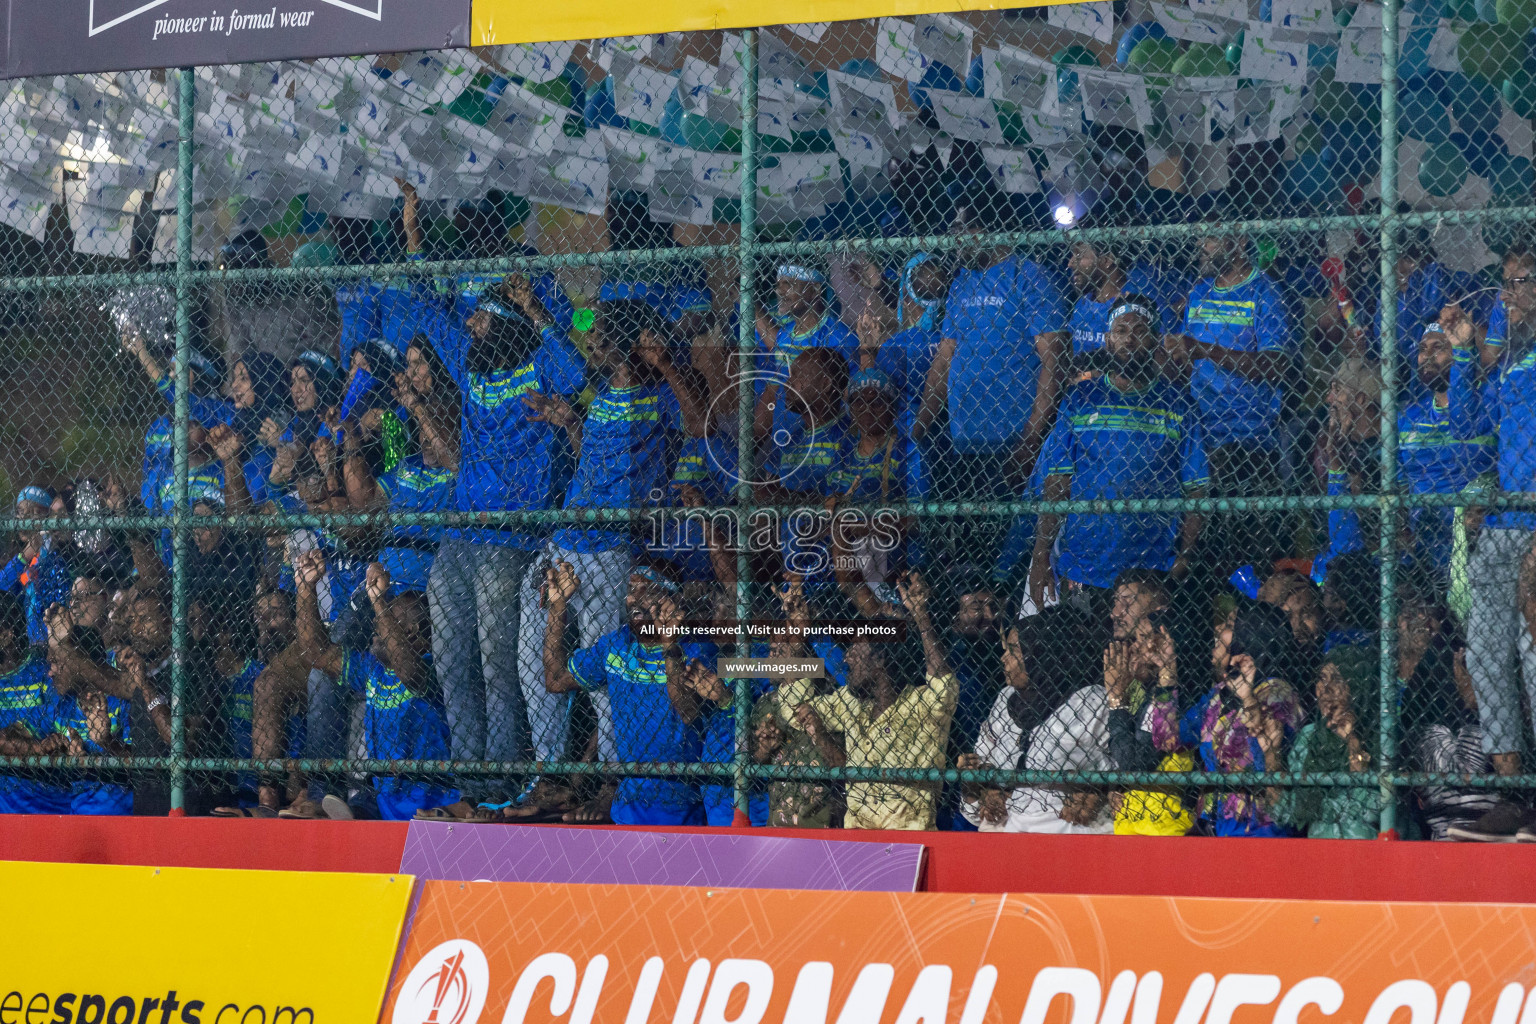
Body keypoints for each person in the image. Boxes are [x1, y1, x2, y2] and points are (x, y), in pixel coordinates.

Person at [514, 299, 709, 817]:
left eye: (600, 335)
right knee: (533, 659)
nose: (592, 342)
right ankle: (550, 774)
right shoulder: (598, 395)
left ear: (623, 344)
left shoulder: (659, 394)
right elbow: (592, 458)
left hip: (611, 548)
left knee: (606, 677)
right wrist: (570, 423)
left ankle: (612, 783)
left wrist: (666, 363)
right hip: (565, 538)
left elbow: (697, 427)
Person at [410, 242, 584, 818]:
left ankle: (502, 781)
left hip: (511, 542)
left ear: (505, 323)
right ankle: (469, 780)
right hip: (459, 540)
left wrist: (533, 309)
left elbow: (576, 371)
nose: (472, 323)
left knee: (496, 661)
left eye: (482, 315)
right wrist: (414, 232)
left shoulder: (537, 366)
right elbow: (428, 308)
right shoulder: (470, 366)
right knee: (451, 660)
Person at [1028, 297, 1208, 611]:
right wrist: (1041, 555)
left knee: (1143, 652)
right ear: (1108, 339)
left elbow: (1197, 488)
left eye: (1140, 330)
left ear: (1154, 340)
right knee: (1080, 647)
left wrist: (1187, 555)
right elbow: (1057, 481)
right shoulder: (1079, 399)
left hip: (1150, 571)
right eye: (1120, 330)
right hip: (1082, 569)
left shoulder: (1179, 404)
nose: (1129, 337)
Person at [1442, 244, 1536, 838]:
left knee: (1533, 657)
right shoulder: (1510, 359)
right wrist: (1461, 352)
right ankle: (1513, 792)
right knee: (1486, 654)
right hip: (1505, 526)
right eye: (1504, 284)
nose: (1507, 295)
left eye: (1519, 282)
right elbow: (1466, 426)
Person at [918, 192, 1068, 515]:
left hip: (1014, 442)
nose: (957, 243)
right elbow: (944, 359)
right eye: (954, 235)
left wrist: (1030, 441)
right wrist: (917, 430)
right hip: (964, 444)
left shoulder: (1029, 276)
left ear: (987, 230)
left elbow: (1053, 361)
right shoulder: (961, 283)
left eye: (963, 233)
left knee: (1008, 542)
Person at [1163, 222, 1296, 576]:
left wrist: (1205, 349)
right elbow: (1188, 362)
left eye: (1208, 238)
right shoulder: (1199, 293)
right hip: (1198, 437)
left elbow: (1275, 364)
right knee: (1200, 561)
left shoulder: (1265, 293)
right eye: (1199, 237)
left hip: (1246, 442)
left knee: (1244, 559)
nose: (1199, 246)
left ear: (1237, 241)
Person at [779, 571, 958, 831]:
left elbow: (945, 687)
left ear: (879, 659)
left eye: (855, 647)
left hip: (908, 837)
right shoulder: (850, 703)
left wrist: (920, 616)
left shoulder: (921, 705)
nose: (847, 657)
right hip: (858, 838)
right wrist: (798, 637)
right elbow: (794, 710)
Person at [540, 559, 714, 826]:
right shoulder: (616, 644)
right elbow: (554, 680)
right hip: (627, 805)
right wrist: (559, 606)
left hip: (682, 804)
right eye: (631, 591)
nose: (633, 599)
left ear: (673, 599)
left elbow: (688, 712)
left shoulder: (697, 649)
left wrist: (670, 644)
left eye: (646, 591)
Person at [291, 552, 457, 820]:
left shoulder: (431, 667)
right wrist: (306, 587)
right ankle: (353, 814)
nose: (376, 624)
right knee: (357, 807)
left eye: (389, 619)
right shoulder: (372, 669)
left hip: (432, 795)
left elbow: (409, 672)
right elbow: (316, 653)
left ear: (413, 633)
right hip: (385, 797)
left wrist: (380, 601)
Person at [1151, 601, 1305, 836]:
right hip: (1216, 831)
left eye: (1231, 623)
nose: (1219, 627)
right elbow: (1167, 739)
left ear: (1252, 633)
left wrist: (1248, 702)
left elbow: (1264, 765)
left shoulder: (1276, 694)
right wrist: (1167, 672)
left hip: (1258, 833)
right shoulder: (1219, 695)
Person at [958, 618, 1113, 833]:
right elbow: (974, 812)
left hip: (1070, 833)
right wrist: (979, 786)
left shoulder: (1090, 702)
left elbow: (1122, 764)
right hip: (1007, 834)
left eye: (1014, 651)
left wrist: (1098, 786)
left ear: (1040, 654)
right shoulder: (1006, 699)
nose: (1004, 659)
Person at [1397, 323, 1496, 585]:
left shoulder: (1487, 409)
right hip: (1422, 550)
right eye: (1422, 349)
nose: (1427, 356)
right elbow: (1398, 485)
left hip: (1477, 541)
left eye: (1438, 348)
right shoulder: (1407, 418)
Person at [1271, 645, 1381, 839]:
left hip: (1369, 851)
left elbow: (1370, 811)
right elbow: (1284, 813)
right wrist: (1270, 754)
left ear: (1356, 685)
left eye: (1337, 679)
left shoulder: (1379, 734)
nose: (1326, 689)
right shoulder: (1310, 737)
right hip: (1321, 853)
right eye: (1321, 679)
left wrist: (1353, 743)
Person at [754, 258, 858, 448]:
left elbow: (852, 397)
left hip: (826, 446)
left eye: (789, 284)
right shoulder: (784, 335)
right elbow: (774, 388)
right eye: (778, 284)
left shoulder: (839, 337)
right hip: (786, 445)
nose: (780, 291)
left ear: (816, 289)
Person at [854, 254, 950, 435]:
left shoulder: (896, 347)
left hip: (905, 437)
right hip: (946, 436)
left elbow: (869, 395)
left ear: (905, 296)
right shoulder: (953, 337)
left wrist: (868, 350)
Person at [1310, 359, 1383, 583]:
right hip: (1342, 548)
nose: (1328, 399)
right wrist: (1336, 449)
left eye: (1337, 391)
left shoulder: (1391, 448)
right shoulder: (1330, 440)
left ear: (1361, 399)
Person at [0, 487, 73, 646]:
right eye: (20, 511)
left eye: (34, 512)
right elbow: (2, 587)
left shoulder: (59, 556)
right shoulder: (20, 561)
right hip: (29, 644)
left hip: (57, 641)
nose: (24, 518)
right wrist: (25, 555)